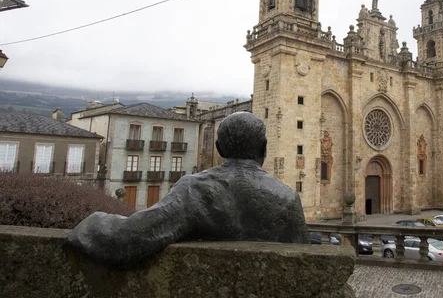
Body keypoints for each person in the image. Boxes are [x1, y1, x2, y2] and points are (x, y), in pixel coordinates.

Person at [67, 112, 309, 267]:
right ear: (264, 148)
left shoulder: (195, 188)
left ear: (219, 148)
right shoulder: (287, 198)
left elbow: (129, 238)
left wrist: (92, 221)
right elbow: (305, 262)